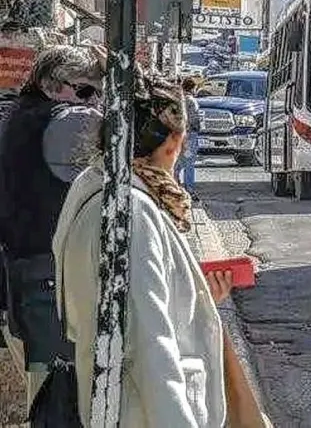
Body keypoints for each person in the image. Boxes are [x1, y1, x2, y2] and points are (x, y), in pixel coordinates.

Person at [52, 70, 234, 427]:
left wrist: (196, 298)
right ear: (173, 142)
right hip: (143, 413)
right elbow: (152, 346)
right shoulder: (132, 212)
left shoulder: (94, 184)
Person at [0, 44, 104, 415]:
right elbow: (137, 133)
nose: (93, 101)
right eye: (86, 90)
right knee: (61, 402)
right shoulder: (63, 123)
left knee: (47, 397)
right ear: (49, 84)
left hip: (25, 279)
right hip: (49, 285)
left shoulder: (18, 116)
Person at [176, 77, 200, 193]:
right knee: (189, 163)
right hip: (189, 135)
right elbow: (193, 119)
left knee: (179, 162)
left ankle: (175, 184)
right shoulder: (191, 101)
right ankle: (189, 188)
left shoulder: (178, 99)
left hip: (178, 134)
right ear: (192, 88)